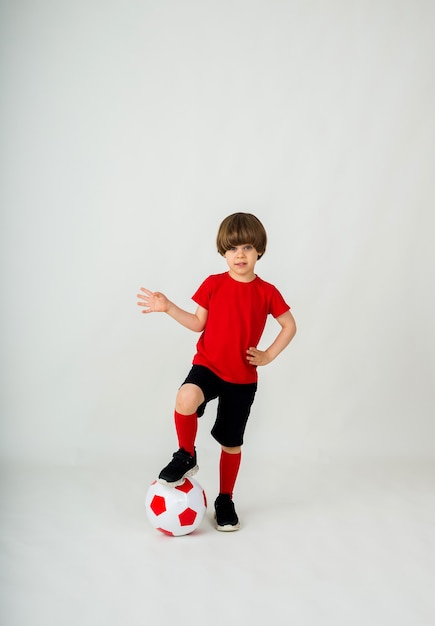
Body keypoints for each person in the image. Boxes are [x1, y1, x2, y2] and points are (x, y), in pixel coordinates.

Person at [137, 212, 296, 531]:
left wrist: (267, 355)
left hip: (242, 378)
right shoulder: (213, 284)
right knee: (186, 397)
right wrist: (168, 307)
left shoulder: (267, 292)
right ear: (223, 251)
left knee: (231, 441)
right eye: (233, 248)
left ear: (259, 252)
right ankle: (185, 455)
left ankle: (225, 499)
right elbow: (198, 323)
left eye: (248, 248)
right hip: (208, 365)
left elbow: (289, 326)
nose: (240, 254)